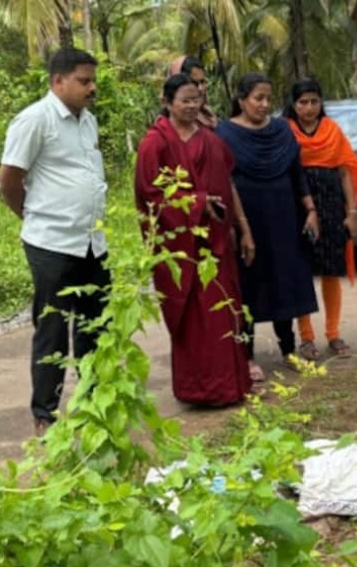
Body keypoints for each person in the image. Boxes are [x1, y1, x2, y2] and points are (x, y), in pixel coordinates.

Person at [0, 47, 112, 436]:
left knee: (94, 325)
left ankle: (94, 400)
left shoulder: (88, 122)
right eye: (84, 81)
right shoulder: (34, 120)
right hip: (51, 243)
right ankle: (45, 414)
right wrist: (34, 218)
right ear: (58, 81)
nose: (92, 87)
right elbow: (9, 181)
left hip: (92, 242)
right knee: (52, 328)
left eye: (93, 80)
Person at [135, 74, 256, 405]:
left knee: (222, 311)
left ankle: (230, 387)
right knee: (194, 321)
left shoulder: (211, 141)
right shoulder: (154, 143)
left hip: (217, 243)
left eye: (196, 99)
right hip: (182, 249)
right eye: (184, 100)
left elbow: (228, 185)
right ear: (167, 101)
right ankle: (198, 390)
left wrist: (242, 228)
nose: (191, 106)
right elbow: (149, 196)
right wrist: (200, 202)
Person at [215, 73, 319, 380]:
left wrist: (310, 208)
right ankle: (247, 358)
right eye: (257, 98)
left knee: (284, 282)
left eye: (267, 99)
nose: (263, 104)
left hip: (284, 217)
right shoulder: (225, 133)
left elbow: (297, 172)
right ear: (242, 99)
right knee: (248, 286)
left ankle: (288, 350)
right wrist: (238, 226)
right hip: (248, 219)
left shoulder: (281, 131)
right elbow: (225, 181)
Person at [282, 78, 357, 360]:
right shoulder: (285, 132)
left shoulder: (332, 130)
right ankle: (306, 337)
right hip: (298, 207)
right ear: (293, 104)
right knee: (302, 270)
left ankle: (333, 333)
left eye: (314, 101)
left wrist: (351, 213)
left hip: (331, 206)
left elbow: (345, 172)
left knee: (330, 270)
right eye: (303, 102)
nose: (309, 107)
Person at [166, 56, 218, 129]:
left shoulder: (207, 115)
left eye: (202, 82)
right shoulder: (166, 127)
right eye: (194, 83)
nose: (200, 88)